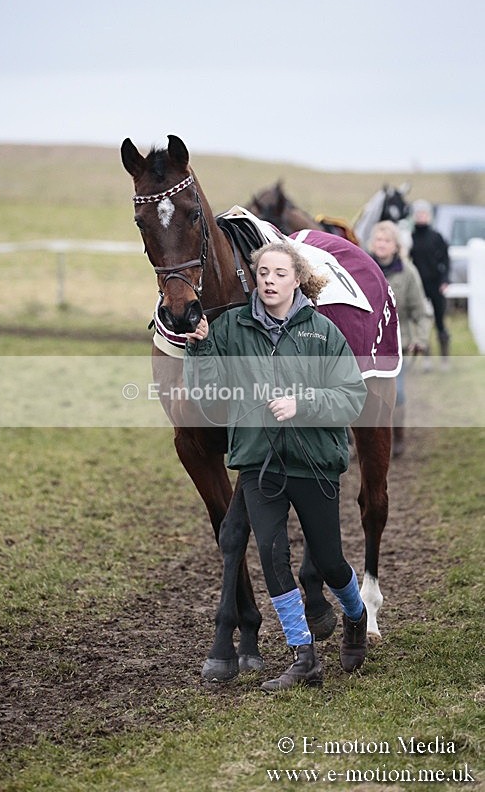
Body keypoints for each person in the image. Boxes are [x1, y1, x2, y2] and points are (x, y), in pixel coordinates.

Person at [184, 242, 368, 693]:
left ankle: (356, 615)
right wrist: (202, 350)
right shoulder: (230, 328)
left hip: (314, 463)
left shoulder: (322, 332)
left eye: (279, 273)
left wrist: (301, 404)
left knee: (328, 561)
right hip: (257, 464)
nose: (268, 280)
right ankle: (303, 657)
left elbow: (352, 397)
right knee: (272, 559)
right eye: (263, 272)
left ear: (296, 279)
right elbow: (207, 396)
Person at [368, 221, 431, 457]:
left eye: (387, 240)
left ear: (396, 246)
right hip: (364, 345)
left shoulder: (408, 273)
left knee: (397, 394)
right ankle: (359, 442)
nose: (381, 244)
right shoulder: (362, 269)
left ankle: (398, 437)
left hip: (396, 344)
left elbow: (421, 311)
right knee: (359, 394)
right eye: (378, 239)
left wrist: (421, 340)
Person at [409, 199, 451, 366]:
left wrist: (445, 280)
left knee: (440, 321)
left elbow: (446, 260)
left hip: (436, 285)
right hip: (419, 287)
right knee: (421, 322)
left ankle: (445, 359)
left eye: (424, 214)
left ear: (429, 216)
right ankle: (426, 358)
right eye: (418, 214)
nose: (421, 217)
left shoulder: (437, 237)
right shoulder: (410, 238)